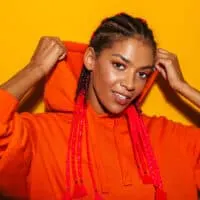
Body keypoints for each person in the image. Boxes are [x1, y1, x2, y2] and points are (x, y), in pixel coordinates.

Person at [0, 12, 200, 200]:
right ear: (90, 59)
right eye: (119, 65)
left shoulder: (171, 137)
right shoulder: (40, 136)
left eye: (142, 74)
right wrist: (35, 68)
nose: (130, 85)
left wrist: (184, 88)